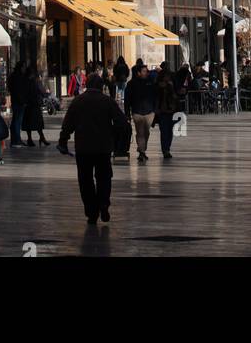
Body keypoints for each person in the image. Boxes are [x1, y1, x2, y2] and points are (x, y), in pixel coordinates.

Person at [58, 72, 129, 224]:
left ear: (87, 85)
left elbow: (68, 124)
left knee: (85, 180)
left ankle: (91, 211)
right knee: (104, 178)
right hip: (103, 147)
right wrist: (114, 136)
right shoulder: (107, 101)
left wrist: (63, 141)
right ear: (101, 86)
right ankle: (103, 203)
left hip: (83, 147)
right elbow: (122, 122)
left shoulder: (78, 101)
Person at [125, 59, 157, 161]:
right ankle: (142, 152)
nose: (146, 72)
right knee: (140, 132)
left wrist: (155, 110)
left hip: (149, 112)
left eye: (147, 71)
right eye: (144, 71)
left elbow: (155, 96)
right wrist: (127, 114)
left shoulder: (150, 82)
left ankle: (142, 149)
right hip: (137, 112)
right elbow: (127, 100)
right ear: (138, 73)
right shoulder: (131, 84)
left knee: (146, 132)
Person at [154, 64, 178, 159]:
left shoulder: (170, 85)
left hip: (170, 111)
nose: (168, 78)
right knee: (164, 131)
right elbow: (156, 98)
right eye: (167, 76)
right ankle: (165, 150)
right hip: (163, 112)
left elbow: (175, 97)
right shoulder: (158, 86)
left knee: (169, 131)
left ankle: (167, 148)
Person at [23, 66, 50, 147]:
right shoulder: (36, 81)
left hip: (27, 104)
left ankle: (30, 139)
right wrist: (47, 94)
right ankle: (42, 137)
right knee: (38, 122)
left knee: (28, 123)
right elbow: (42, 91)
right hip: (35, 104)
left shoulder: (24, 82)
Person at [8, 60, 29, 147]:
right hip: (19, 101)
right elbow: (19, 90)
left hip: (15, 100)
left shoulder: (13, 76)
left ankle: (15, 140)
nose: (24, 69)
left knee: (15, 121)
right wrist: (23, 101)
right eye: (24, 67)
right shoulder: (18, 77)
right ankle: (16, 140)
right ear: (21, 67)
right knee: (17, 121)